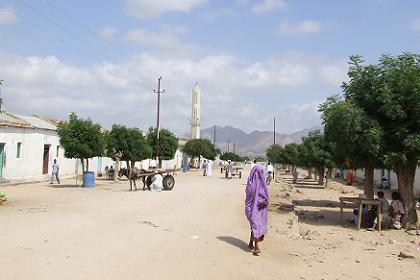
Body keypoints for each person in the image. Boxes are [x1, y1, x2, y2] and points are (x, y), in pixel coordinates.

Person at [245, 165, 269, 256]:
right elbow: (248, 193)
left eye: (261, 173)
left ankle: (255, 245)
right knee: (255, 224)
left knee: (256, 225)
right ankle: (256, 245)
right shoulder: (250, 183)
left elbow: (266, 195)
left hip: (260, 208)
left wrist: (263, 200)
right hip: (252, 208)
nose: (259, 175)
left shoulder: (263, 184)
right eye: (257, 173)